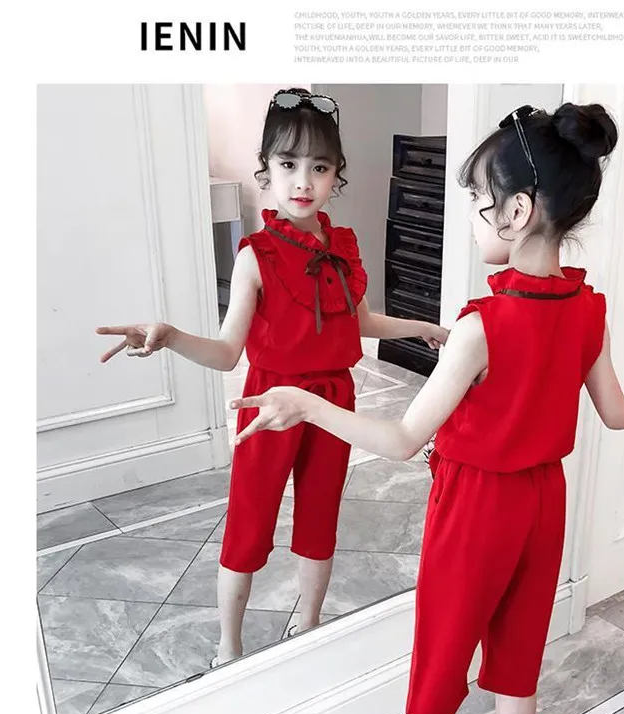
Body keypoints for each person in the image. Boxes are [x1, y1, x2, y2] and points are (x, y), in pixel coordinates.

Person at [230, 102, 624, 714]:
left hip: (477, 509)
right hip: (543, 503)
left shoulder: (483, 325)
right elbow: (617, 411)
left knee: (440, 662)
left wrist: (306, 403)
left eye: (480, 201)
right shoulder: (588, 309)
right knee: (520, 646)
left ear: (516, 212)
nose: (476, 217)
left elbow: (400, 438)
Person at [96, 88, 449, 668]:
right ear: (266, 169)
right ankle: (229, 644)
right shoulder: (255, 256)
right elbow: (227, 353)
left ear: (337, 174)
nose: (303, 181)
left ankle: (308, 624)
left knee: (320, 517)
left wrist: (422, 327)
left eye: (319, 167)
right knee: (249, 521)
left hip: (333, 400)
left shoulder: (344, 247)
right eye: (288, 164)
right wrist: (171, 336)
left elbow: (359, 321)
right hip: (268, 400)